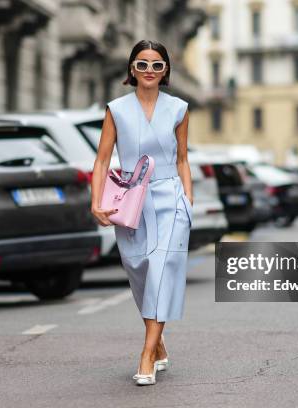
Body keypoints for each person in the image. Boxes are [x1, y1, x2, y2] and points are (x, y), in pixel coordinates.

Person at [90, 40, 193, 386]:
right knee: (139, 269)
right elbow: (102, 159)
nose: (150, 71)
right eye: (143, 64)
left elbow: (182, 159)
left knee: (163, 267)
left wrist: (187, 202)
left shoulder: (179, 108)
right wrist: (96, 201)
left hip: (170, 198)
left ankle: (147, 353)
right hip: (130, 200)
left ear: (166, 71)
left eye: (157, 65)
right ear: (132, 69)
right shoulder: (116, 110)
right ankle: (158, 338)